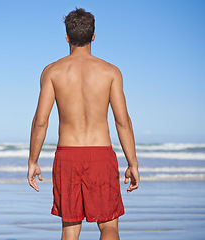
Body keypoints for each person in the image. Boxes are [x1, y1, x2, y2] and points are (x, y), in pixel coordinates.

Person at [27, 8, 140, 240]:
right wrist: (133, 163)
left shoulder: (52, 72)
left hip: (67, 156)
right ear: (94, 36)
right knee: (109, 226)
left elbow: (40, 121)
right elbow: (122, 122)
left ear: (67, 37)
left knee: (70, 229)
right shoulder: (110, 72)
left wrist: (33, 161)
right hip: (101, 155)